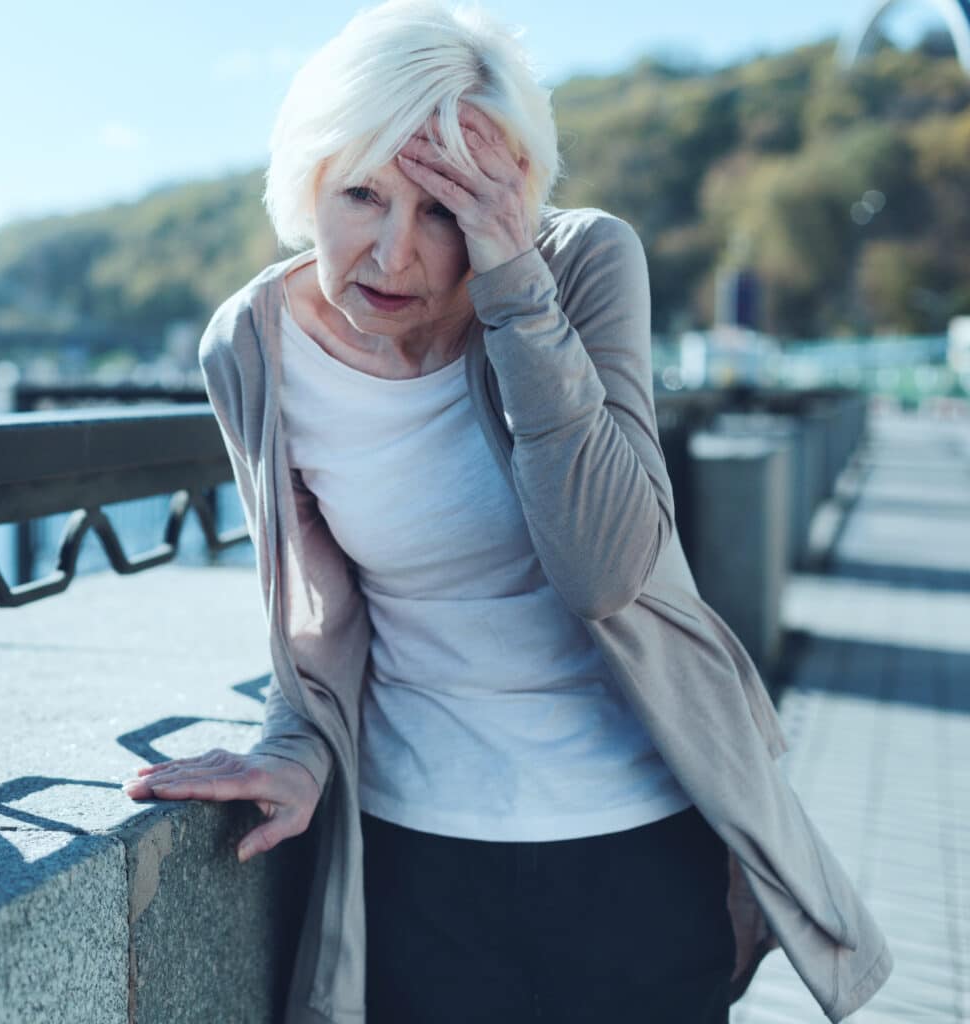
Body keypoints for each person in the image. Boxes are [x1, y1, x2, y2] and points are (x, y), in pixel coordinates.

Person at [121, 2, 892, 1021]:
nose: (394, 254)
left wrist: (517, 287)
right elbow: (316, 604)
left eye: (443, 208)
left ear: (511, 195)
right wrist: (294, 745)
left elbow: (605, 567)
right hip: (419, 863)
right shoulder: (252, 346)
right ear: (305, 180)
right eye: (361, 193)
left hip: (638, 848)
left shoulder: (582, 266)